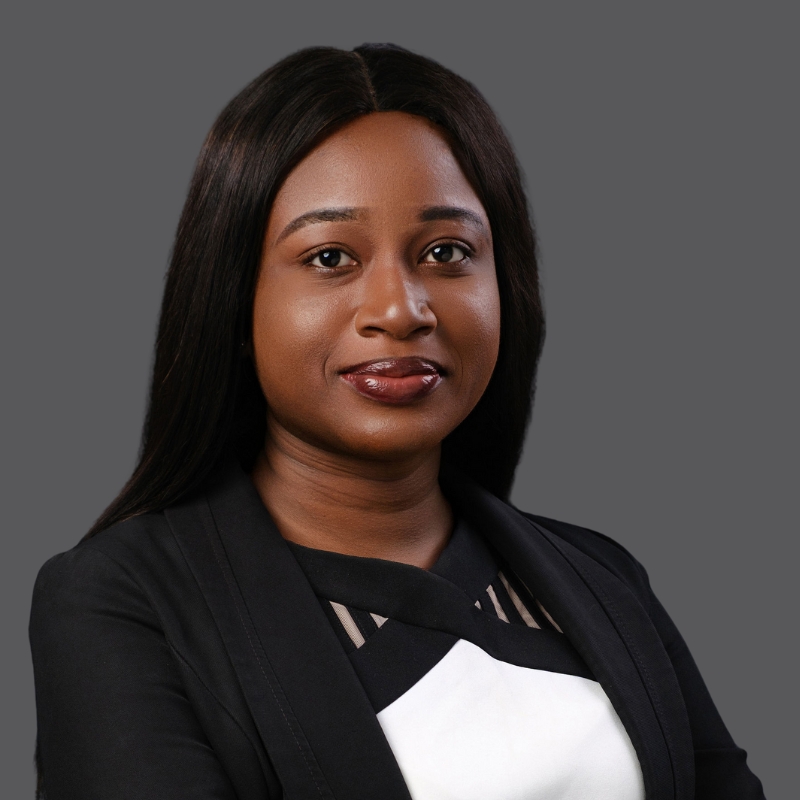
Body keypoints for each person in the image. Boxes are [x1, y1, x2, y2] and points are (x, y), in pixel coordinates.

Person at [29, 43, 765, 800]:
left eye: (447, 252)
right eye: (329, 258)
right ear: (233, 298)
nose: (399, 309)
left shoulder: (603, 579)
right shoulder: (123, 603)